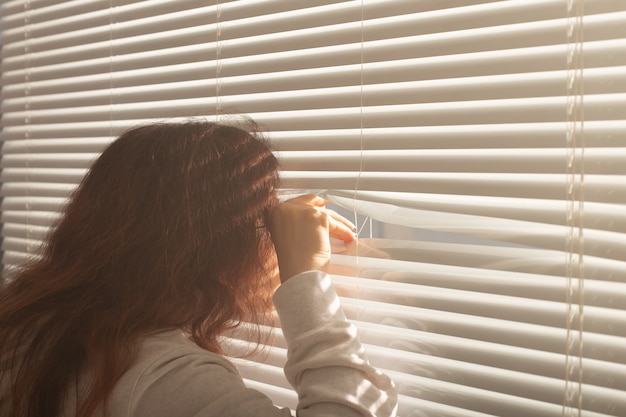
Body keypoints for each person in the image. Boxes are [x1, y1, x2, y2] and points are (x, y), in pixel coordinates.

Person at [0, 120, 398, 417]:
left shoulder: (33, 325)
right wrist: (307, 280)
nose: (272, 244)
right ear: (216, 247)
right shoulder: (161, 377)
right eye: (267, 221)